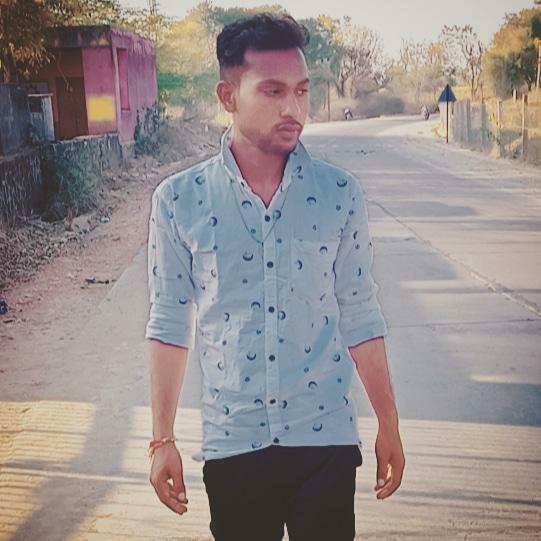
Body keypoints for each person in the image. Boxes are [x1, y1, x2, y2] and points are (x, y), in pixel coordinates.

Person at [145, 12, 405, 541]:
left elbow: (360, 312)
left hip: (325, 441)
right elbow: (170, 322)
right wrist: (161, 439)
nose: (293, 108)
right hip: (233, 442)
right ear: (228, 95)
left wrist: (389, 423)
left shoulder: (339, 195)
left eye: (302, 91)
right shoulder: (179, 200)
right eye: (273, 91)